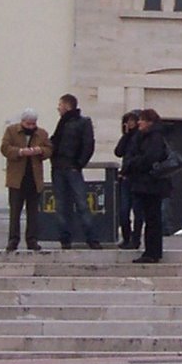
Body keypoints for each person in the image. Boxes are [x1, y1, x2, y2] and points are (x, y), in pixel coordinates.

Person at [123, 107, 174, 263]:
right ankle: (151, 251)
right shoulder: (141, 136)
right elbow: (124, 152)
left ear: (150, 122)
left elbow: (149, 158)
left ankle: (152, 252)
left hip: (151, 184)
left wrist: (133, 163)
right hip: (143, 183)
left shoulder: (155, 137)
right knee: (149, 217)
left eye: (142, 120)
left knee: (152, 219)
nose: (139, 122)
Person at [51, 93, 100, 249]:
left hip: (72, 168)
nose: (58, 108)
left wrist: (78, 164)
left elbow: (88, 145)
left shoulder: (82, 122)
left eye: (60, 104)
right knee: (61, 205)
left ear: (67, 105)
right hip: (58, 167)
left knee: (82, 204)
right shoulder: (62, 124)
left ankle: (92, 238)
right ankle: (65, 239)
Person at [1, 109, 52, 253]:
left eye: (33, 124)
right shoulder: (11, 131)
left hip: (34, 178)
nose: (30, 127)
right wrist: (20, 152)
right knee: (15, 211)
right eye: (28, 124)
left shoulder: (42, 133)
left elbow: (49, 149)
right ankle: (13, 240)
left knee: (33, 212)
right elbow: (4, 148)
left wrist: (40, 150)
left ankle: (32, 240)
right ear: (22, 122)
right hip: (17, 179)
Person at [112, 111, 140, 249]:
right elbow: (118, 152)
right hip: (125, 178)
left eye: (132, 121)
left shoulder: (140, 138)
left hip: (136, 178)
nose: (130, 123)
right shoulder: (128, 137)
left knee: (137, 210)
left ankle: (135, 239)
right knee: (123, 210)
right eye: (128, 121)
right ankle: (126, 236)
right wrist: (126, 135)